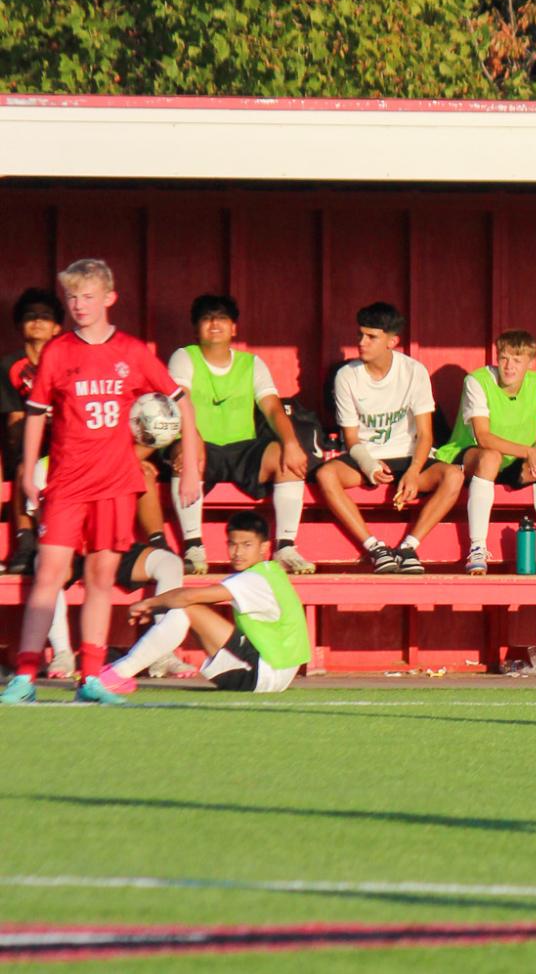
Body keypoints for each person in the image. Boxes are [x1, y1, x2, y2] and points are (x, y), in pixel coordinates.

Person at [1, 258, 199, 704]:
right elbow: (35, 414)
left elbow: (180, 402)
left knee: (99, 577)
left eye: (87, 296)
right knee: (48, 573)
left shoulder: (131, 351)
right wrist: (32, 472)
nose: (79, 305)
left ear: (110, 298)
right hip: (66, 484)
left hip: (115, 484)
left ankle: (90, 678)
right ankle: (26, 677)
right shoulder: (58, 351)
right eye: (72, 297)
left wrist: (194, 466)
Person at [166, 293, 314, 577]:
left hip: (243, 448)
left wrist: (292, 442)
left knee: (286, 456)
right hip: (201, 445)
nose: (214, 324)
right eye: (207, 318)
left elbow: (272, 408)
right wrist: (191, 441)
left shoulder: (251, 363)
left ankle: (285, 547)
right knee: (186, 451)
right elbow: (179, 403)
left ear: (234, 328)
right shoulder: (185, 357)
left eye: (222, 318)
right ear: (196, 327)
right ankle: (194, 547)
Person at [426, 328, 536, 574]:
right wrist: (530, 452)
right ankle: (477, 548)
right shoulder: (477, 381)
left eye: (517, 360)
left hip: (518, 458)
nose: (509, 366)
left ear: (530, 362)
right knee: (490, 458)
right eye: (504, 358)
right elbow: (484, 437)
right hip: (472, 456)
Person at [93, 511, 310, 699]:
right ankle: (122, 672)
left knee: (186, 607)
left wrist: (150, 603)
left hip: (262, 675)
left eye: (246, 545)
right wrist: (159, 606)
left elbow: (188, 598)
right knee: (184, 606)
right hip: (275, 674)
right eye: (232, 544)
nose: (238, 552)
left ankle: (118, 674)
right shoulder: (270, 572)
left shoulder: (254, 579)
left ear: (264, 547)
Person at [313, 303, 450, 573]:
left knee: (454, 477)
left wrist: (414, 471)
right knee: (325, 475)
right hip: (367, 458)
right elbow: (351, 439)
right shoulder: (346, 376)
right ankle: (375, 547)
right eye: (360, 335)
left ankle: (408, 547)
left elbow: (425, 434)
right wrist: (369, 466)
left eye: (371, 337)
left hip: (408, 456)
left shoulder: (414, 371)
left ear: (392, 341)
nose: (361, 343)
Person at [3, 287, 64, 573]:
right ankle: (25, 543)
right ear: (19, 324)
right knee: (22, 470)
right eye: (30, 316)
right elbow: (14, 421)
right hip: (30, 444)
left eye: (45, 316)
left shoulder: (68, 362)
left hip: (67, 445)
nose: (37, 321)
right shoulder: (10, 366)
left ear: (57, 327)